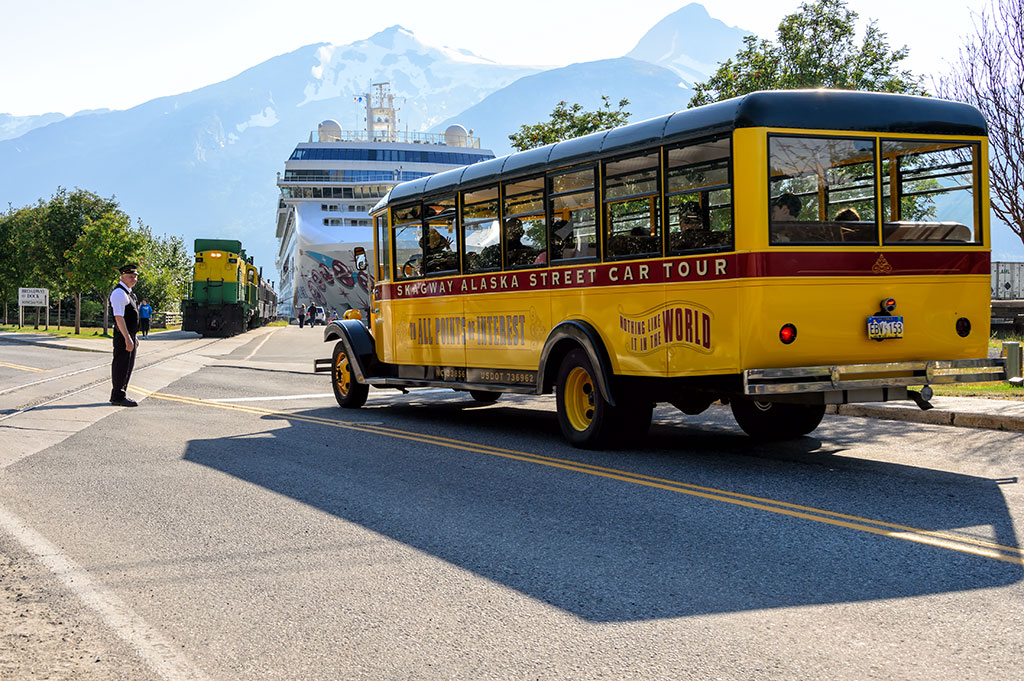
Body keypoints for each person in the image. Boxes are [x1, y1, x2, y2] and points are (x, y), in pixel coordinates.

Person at [109, 264, 140, 407]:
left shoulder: (129, 293)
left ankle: (122, 393)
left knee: (128, 365)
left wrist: (134, 337)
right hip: (123, 335)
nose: (133, 279)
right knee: (121, 365)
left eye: (135, 277)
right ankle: (117, 396)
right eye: (130, 277)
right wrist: (127, 338)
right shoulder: (119, 293)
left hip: (130, 334)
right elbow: (119, 317)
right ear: (122, 277)